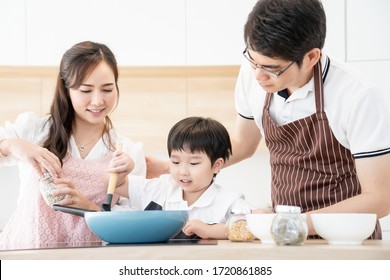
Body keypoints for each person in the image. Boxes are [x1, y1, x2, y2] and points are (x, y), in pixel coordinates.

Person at [146, 0, 390, 239]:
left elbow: (380, 199)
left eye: (272, 68)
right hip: (282, 235)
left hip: (343, 238)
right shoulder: (253, 71)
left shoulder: (358, 96)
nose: (258, 76)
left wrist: (290, 222)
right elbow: (243, 144)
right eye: (252, 60)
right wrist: (170, 167)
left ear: (311, 57)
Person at [0, 41, 146, 249]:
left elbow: (134, 223)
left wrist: (88, 208)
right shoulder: (35, 130)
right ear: (66, 89)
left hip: (86, 264)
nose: (97, 101)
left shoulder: (127, 152)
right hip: (25, 256)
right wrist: (11, 145)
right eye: (86, 90)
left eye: (107, 89)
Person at [116, 116, 253, 239]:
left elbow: (253, 227)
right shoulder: (160, 189)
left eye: (193, 163)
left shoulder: (228, 201)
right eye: (175, 162)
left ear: (217, 165)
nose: (183, 172)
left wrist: (210, 230)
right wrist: (124, 168)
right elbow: (117, 185)